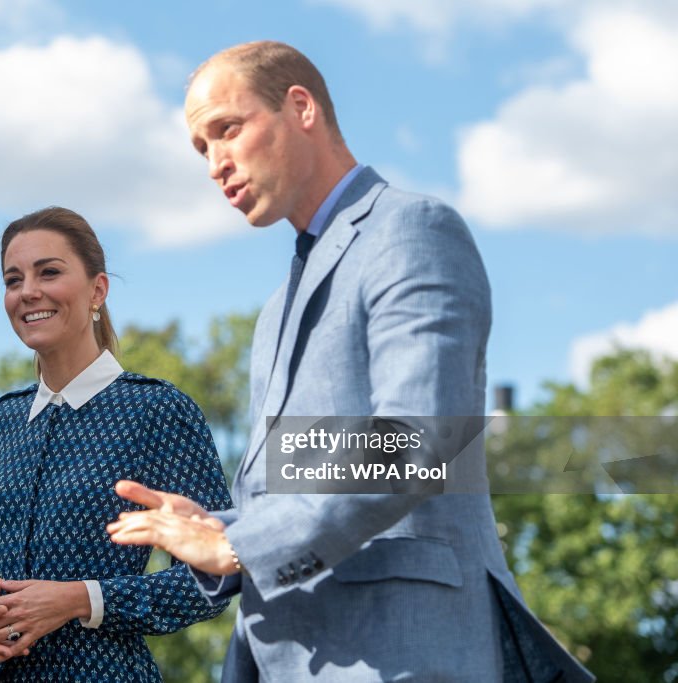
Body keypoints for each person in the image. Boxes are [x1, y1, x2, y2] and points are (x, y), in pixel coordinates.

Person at [108, 41, 595, 682]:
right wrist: (217, 524)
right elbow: (302, 479)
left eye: (227, 129)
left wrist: (236, 543)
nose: (215, 164)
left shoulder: (411, 230)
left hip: (401, 654)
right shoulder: (275, 310)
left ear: (300, 107)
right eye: (201, 148)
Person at [0, 206, 232, 682]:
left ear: (98, 289)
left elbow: (215, 576)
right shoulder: (1, 422)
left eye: (49, 272)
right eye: (13, 280)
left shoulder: (157, 412)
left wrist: (82, 599)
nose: (28, 291)